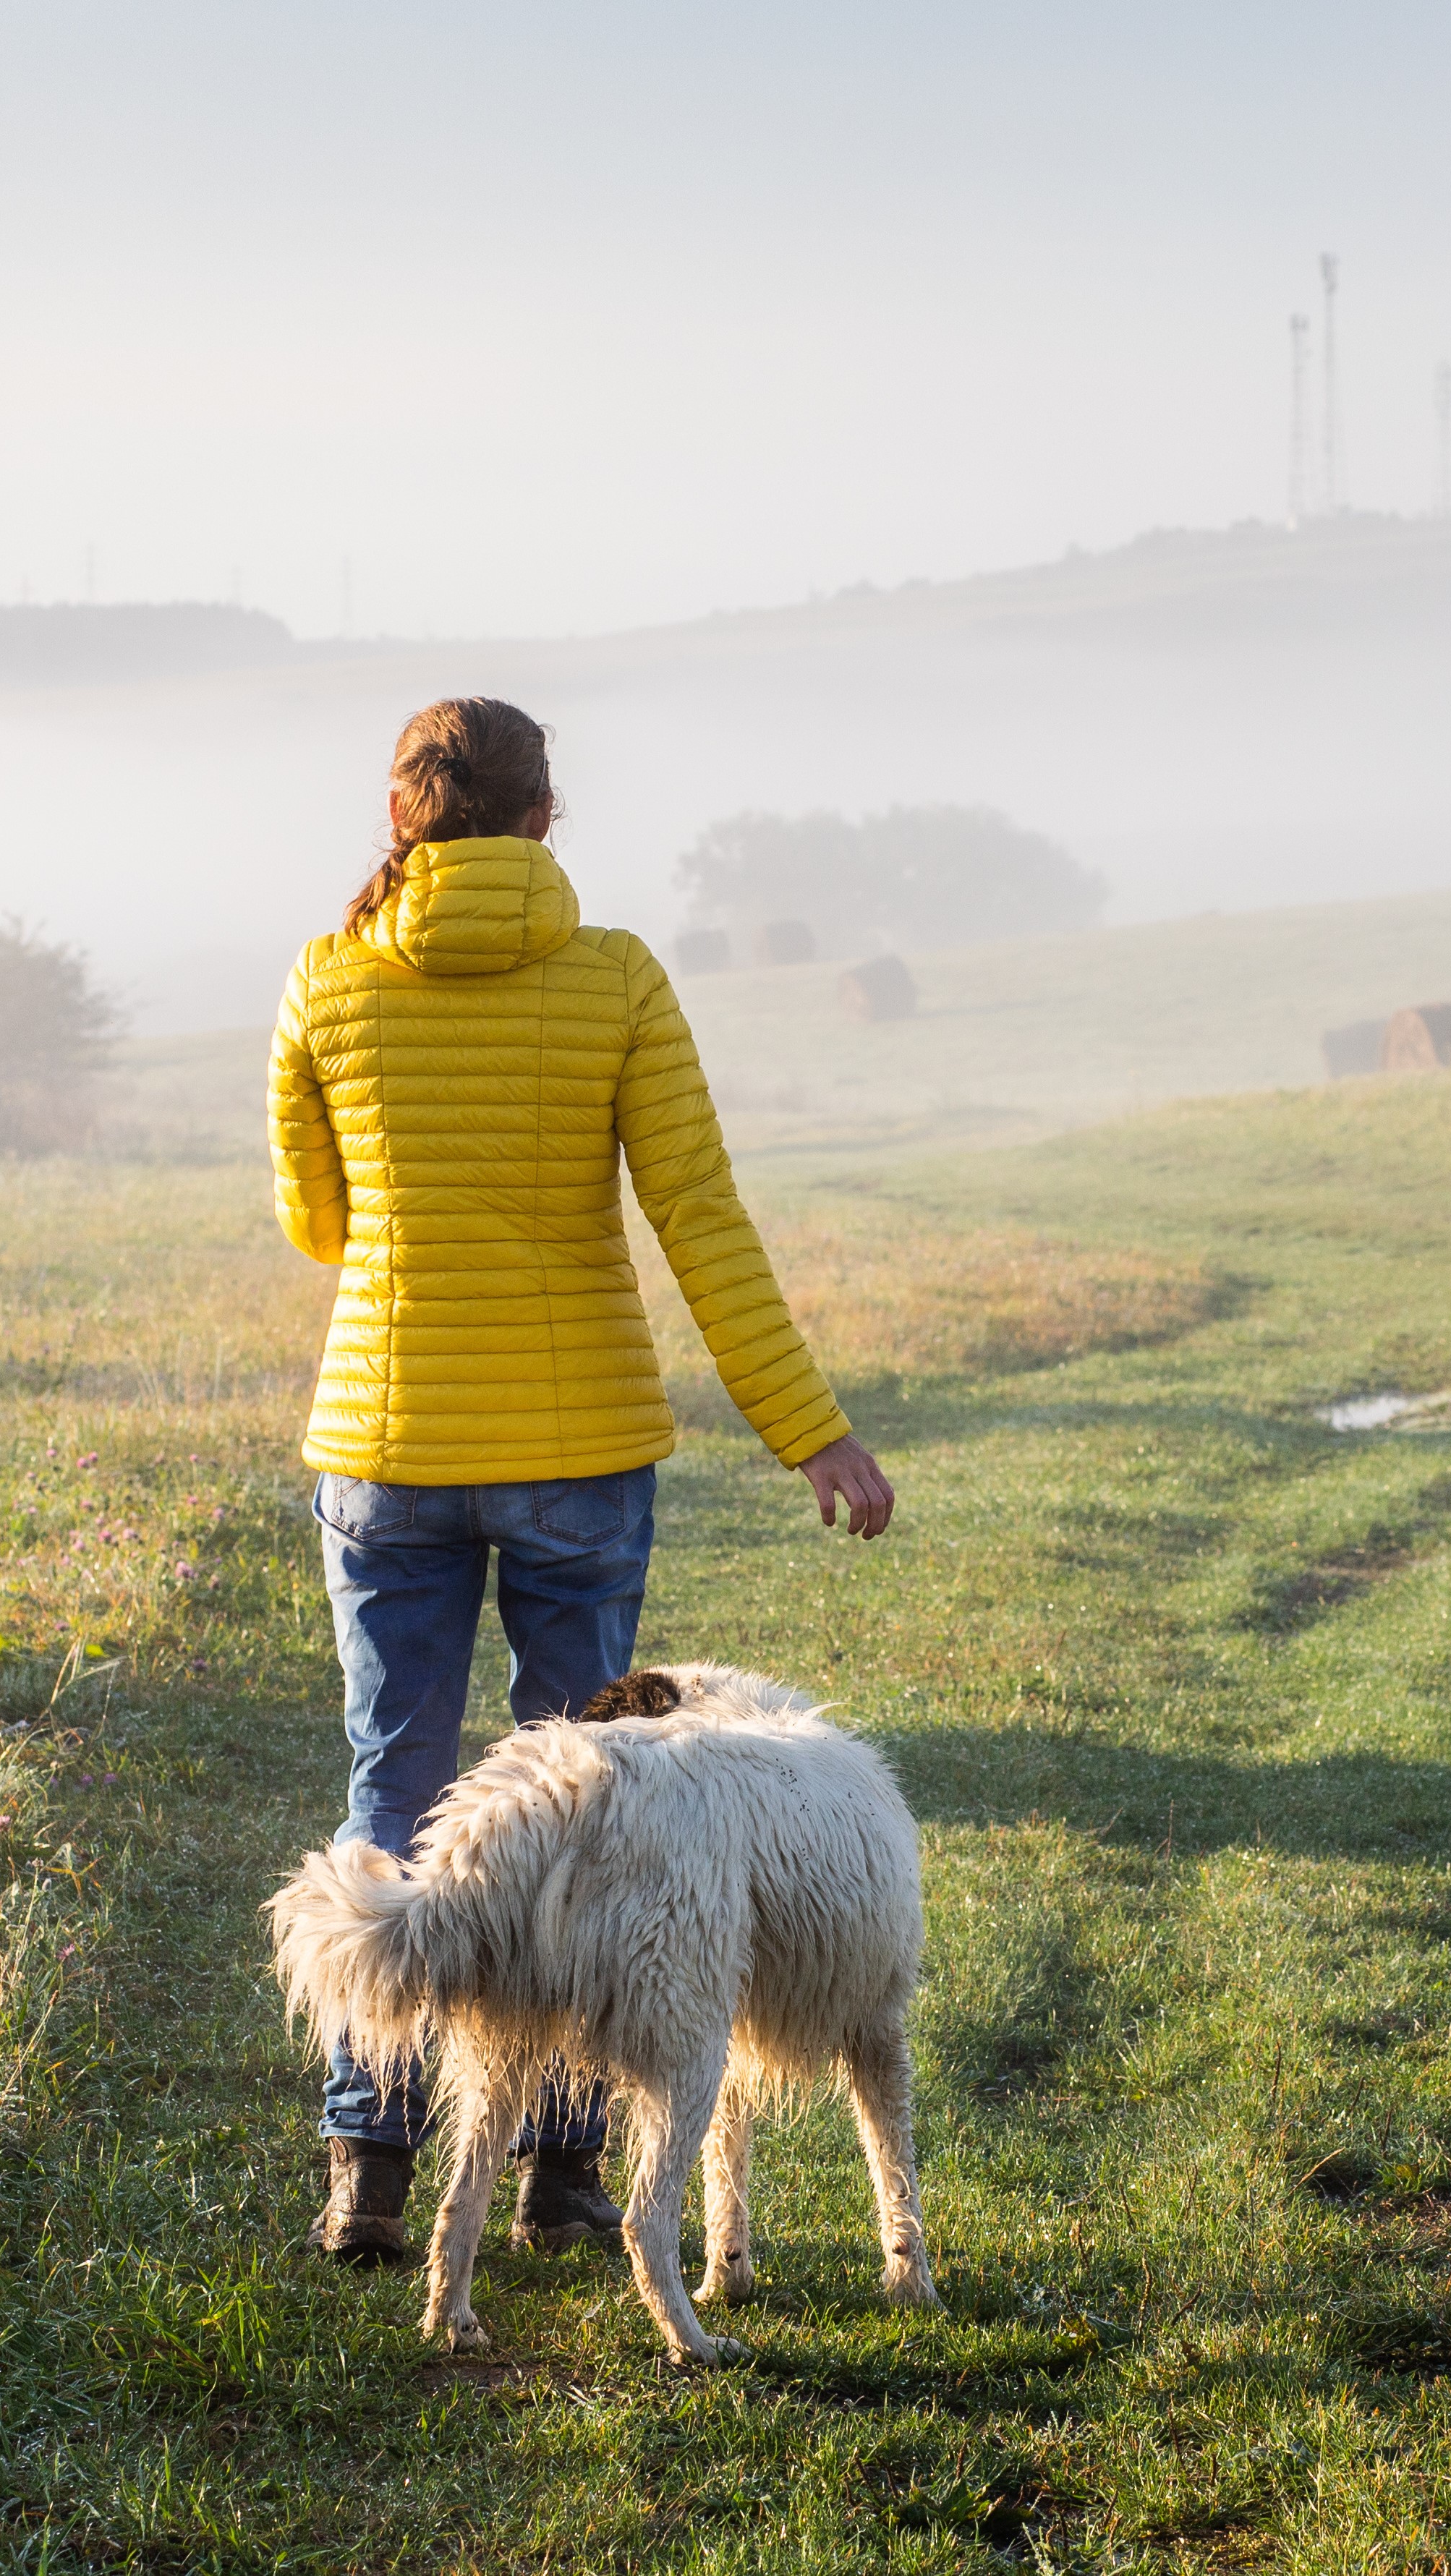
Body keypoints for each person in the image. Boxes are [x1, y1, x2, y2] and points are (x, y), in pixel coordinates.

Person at [267, 695, 894, 2264]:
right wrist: (807, 1426)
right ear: (546, 817)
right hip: (575, 1449)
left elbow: (317, 1220)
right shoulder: (615, 977)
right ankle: (557, 2163)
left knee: (397, 1785)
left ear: (401, 816)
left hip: (386, 1442)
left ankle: (369, 2156)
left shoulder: (329, 975)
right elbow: (698, 1214)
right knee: (587, 1805)